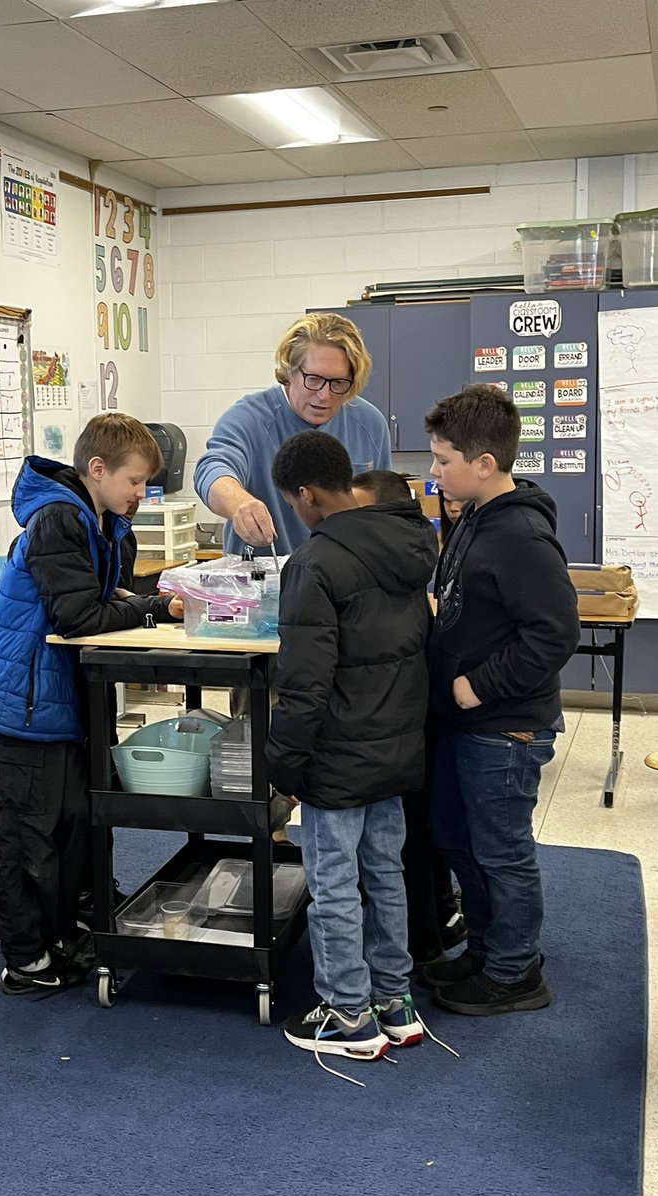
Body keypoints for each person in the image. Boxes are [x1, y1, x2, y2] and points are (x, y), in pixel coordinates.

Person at [0, 414, 183, 996]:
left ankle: (68, 923)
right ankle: (26, 957)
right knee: (32, 834)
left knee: (73, 821)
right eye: (135, 481)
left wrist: (143, 602)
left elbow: (103, 597)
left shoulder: (105, 523)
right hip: (25, 704)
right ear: (97, 469)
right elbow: (80, 617)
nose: (142, 494)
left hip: (57, 700)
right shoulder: (60, 518)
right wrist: (152, 609)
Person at [263, 430, 439, 1067]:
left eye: (291, 502)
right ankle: (395, 1002)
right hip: (394, 748)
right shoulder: (410, 543)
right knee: (385, 874)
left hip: (337, 755)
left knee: (333, 882)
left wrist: (282, 763)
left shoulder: (313, 563)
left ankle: (345, 1012)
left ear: (305, 495)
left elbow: (304, 685)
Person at [423, 385, 580, 1016]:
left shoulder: (519, 534)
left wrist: (477, 682)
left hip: (503, 723)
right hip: (466, 721)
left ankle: (517, 973)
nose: (432, 471)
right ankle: (489, 948)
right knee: (456, 837)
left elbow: (556, 633)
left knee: (501, 848)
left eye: (442, 460)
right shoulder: (473, 515)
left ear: (484, 463)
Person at [351, 469, 467, 968]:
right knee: (421, 833)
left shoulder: (375, 564)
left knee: (408, 841)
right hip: (416, 721)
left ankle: (422, 937)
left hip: (402, 723)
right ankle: (433, 924)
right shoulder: (419, 555)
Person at [194, 312, 391, 557]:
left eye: (339, 383)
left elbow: (384, 507)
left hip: (344, 582)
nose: (324, 395)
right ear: (289, 372)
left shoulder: (370, 424)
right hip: (265, 586)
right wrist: (239, 505)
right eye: (314, 379)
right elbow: (213, 469)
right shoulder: (248, 419)